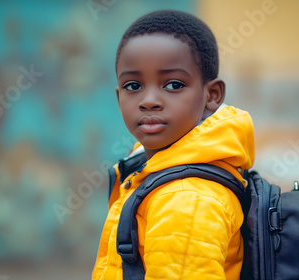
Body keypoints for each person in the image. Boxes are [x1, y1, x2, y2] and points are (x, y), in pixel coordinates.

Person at [92, 10, 255, 279]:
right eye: (133, 86)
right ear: (118, 96)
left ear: (211, 95)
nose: (149, 100)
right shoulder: (152, 170)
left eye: (174, 84)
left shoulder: (186, 200)